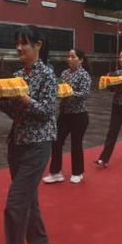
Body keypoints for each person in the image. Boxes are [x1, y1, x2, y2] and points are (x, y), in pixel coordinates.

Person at [0, 26, 57, 244]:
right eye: (16, 43)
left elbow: (47, 112)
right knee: (29, 198)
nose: (19, 48)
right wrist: (0, 98)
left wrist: (24, 98)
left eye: (24, 44)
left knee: (16, 202)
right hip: (16, 141)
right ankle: (39, 243)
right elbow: (11, 111)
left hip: (38, 144)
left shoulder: (48, 75)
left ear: (38, 45)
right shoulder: (16, 74)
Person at [43, 48, 91, 184]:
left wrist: (71, 93)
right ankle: (55, 172)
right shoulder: (64, 73)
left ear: (80, 60)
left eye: (72, 56)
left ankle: (77, 172)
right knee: (56, 142)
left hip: (79, 115)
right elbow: (60, 90)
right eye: (68, 56)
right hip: (64, 114)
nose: (69, 59)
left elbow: (85, 94)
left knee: (76, 144)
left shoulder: (84, 75)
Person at [95, 49, 122, 167]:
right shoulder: (117, 72)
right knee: (112, 132)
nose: (120, 59)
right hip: (116, 105)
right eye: (119, 57)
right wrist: (109, 82)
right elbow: (112, 89)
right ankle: (104, 158)